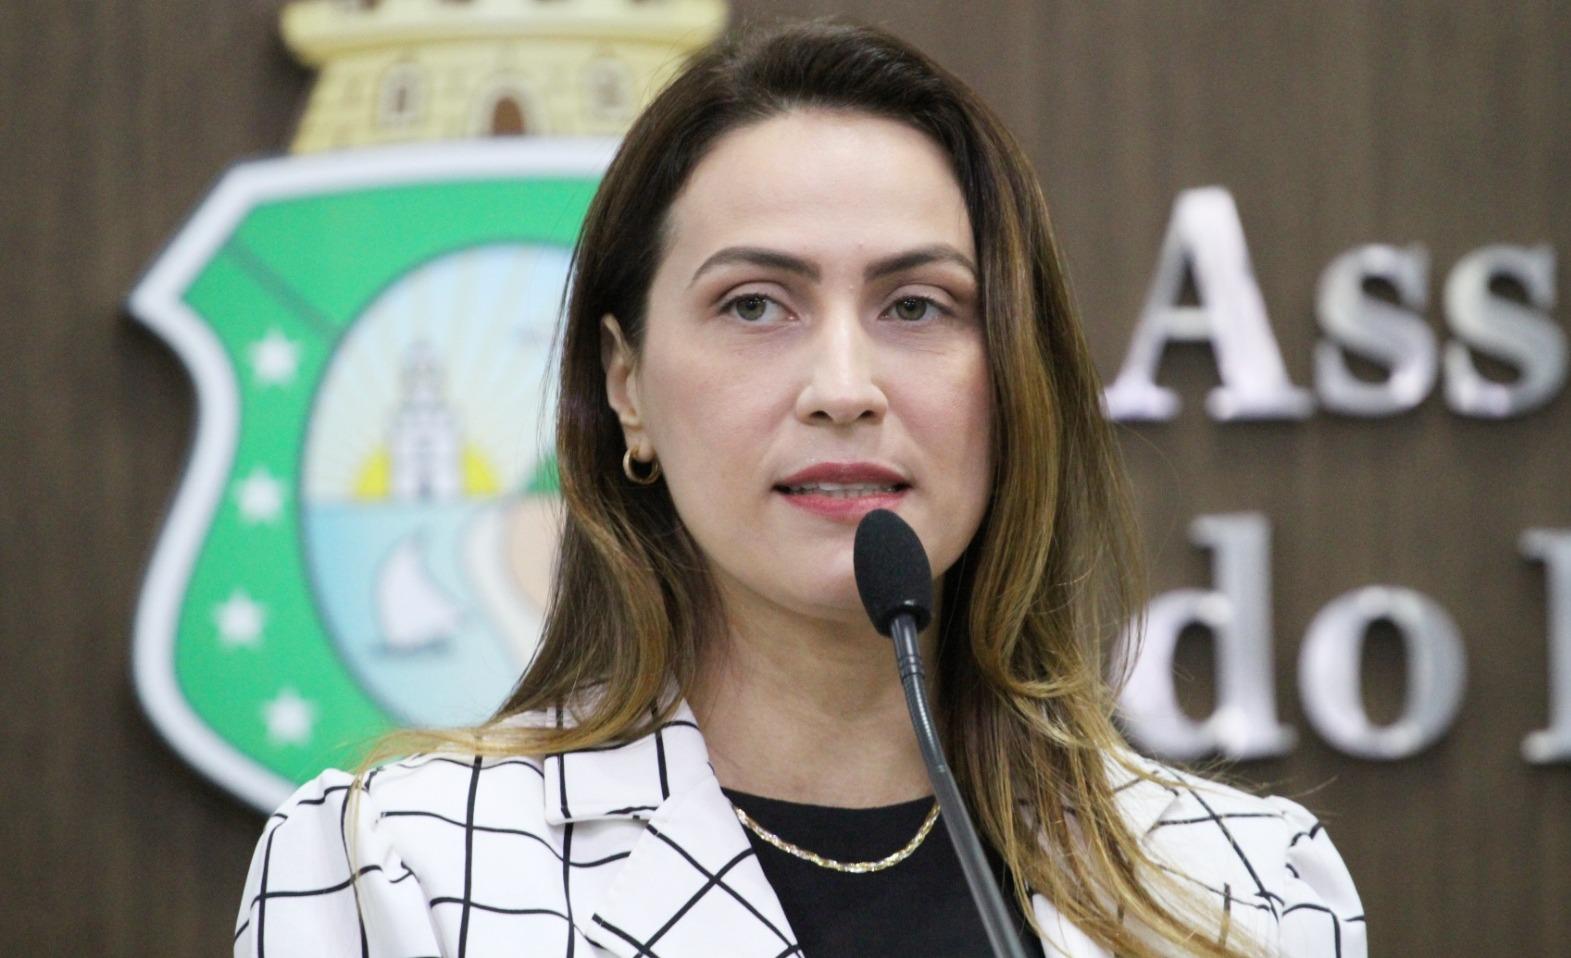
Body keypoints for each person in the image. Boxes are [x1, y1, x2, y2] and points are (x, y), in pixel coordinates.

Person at [234, 18, 1364, 958]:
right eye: (754, 305)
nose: (843, 388)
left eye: (915, 306)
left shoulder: (1247, 889)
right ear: (626, 386)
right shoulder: (405, 870)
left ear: (1014, 374)